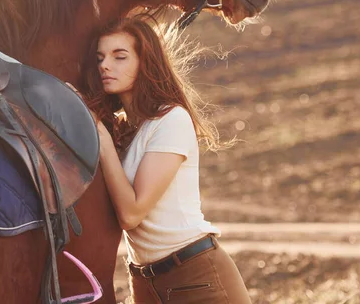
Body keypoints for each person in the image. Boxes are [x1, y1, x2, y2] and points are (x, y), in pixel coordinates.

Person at [78, 15, 252, 303]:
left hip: (196, 277)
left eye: (119, 56)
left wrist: (103, 141)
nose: (105, 65)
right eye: (100, 58)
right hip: (143, 281)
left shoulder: (171, 120)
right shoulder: (124, 130)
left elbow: (131, 214)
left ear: (145, 62)